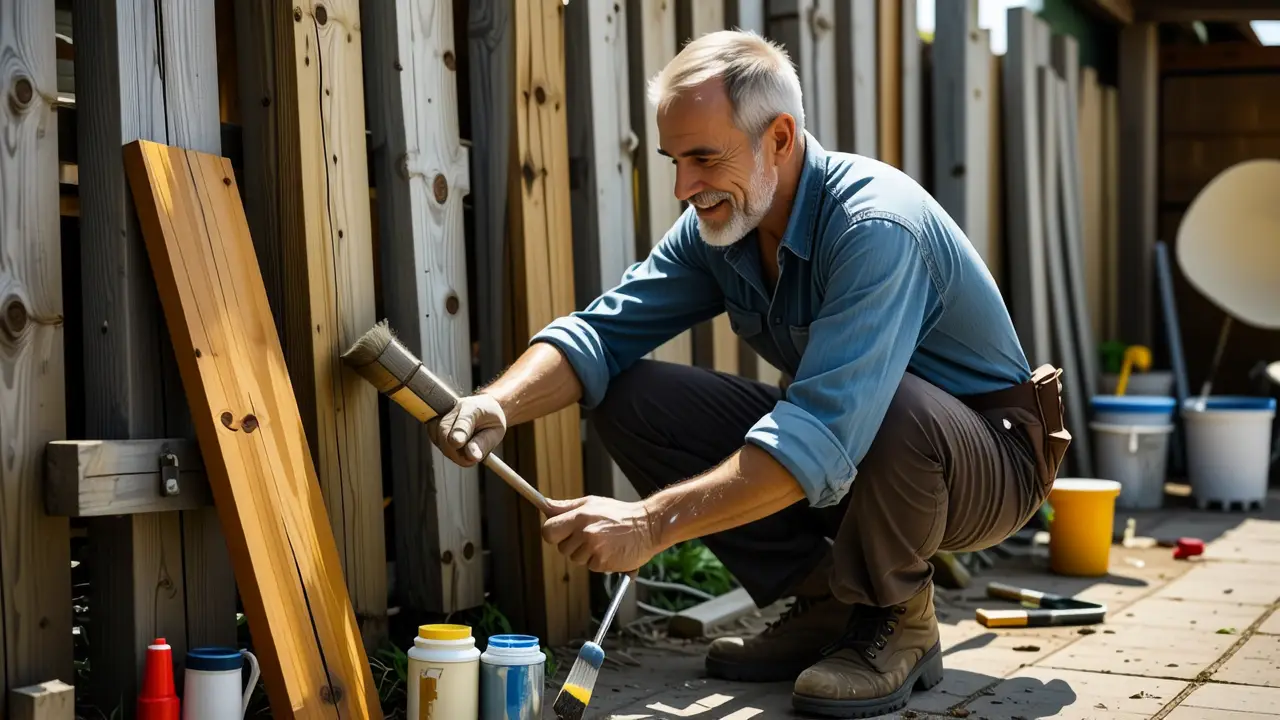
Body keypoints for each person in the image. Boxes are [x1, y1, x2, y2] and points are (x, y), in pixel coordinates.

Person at [427, 29, 1069, 719]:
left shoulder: (875, 227)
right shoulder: (727, 221)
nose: (683, 186)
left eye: (704, 157)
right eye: (675, 159)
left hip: (990, 461)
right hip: (859, 451)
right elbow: (602, 333)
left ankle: (896, 617)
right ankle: (824, 599)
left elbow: (822, 432)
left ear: (781, 139)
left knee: (890, 406)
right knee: (633, 398)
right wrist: (496, 404)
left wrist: (649, 524)